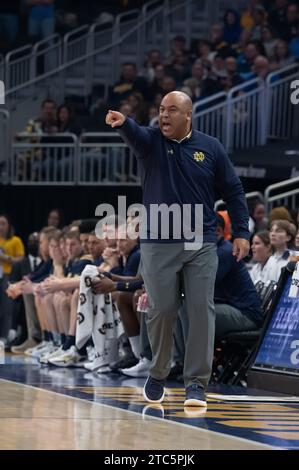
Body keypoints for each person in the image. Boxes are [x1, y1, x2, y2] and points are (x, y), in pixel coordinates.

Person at [105, 91, 250, 408]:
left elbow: (234, 190)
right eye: (161, 109)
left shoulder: (210, 147)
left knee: (200, 309)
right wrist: (125, 123)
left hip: (199, 242)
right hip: (158, 243)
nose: (165, 115)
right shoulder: (151, 142)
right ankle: (157, 372)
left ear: (189, 115)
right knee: (163, 309)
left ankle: (196, 383)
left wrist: (241, 231)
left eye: (172, 110)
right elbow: (137, 133)